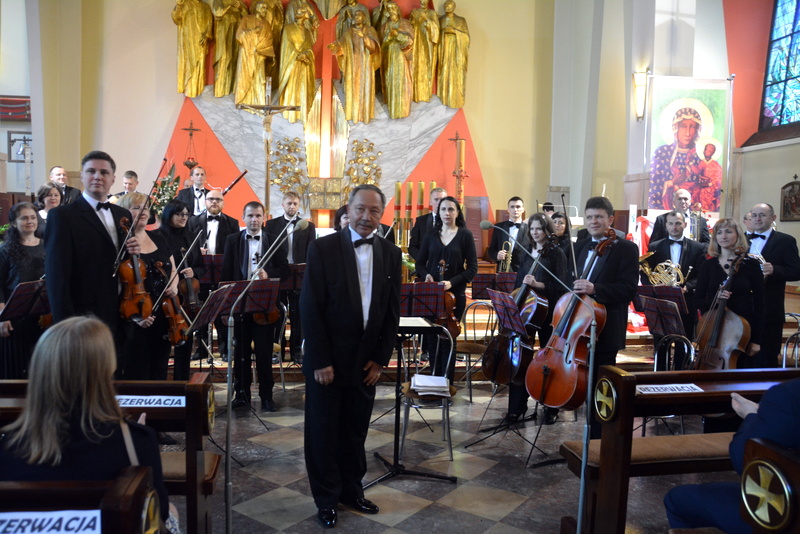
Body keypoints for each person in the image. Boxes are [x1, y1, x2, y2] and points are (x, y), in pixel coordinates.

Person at [0, 316, 177, 532]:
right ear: (106, 370)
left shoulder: (7, 448)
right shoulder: (136, 442)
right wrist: (136, 434)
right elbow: (160, 513)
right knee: (173, 512)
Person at [301, 184, 401, 528]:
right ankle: (326, 499)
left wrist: (381, 359)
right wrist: (320, 360)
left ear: (381, 215)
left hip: (365, 362)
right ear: (348, 209)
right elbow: (310, 307)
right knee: (323, 432)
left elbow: (391, 311)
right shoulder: (322, 247)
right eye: (360, 209)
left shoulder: (391, 253)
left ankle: (351, 491)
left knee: (355, 431)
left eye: (374, 211)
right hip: (327, 361)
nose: (366, 217)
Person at [664, 378, 800, 533]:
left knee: (677, 499)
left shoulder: (788, 395)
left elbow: (745, 461)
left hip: (788, 513)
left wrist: (751, 415)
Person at [44, 151, 140, 338]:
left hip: (122, 311)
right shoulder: (62, 216)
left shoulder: (123, 214)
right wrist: (65, 324)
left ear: (113, 179)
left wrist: (134, 251)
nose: (97, 176)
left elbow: (124, 261)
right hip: (83, 316)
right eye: (91, 171)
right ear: (82, 176)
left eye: (104, 172)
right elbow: (57, 276)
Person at [571, 197, 638, 438]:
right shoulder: (579, 246)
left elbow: (628, 289)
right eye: (589, 217)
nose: (593, 221)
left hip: (606, 329)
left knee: (601, 389)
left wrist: (595, 289)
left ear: (610, 219)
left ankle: (600, 441)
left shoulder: (626, 248)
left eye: (598, 217)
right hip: (578, 326)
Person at [222, 201, 289, 412]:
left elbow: (284, 270)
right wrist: (226, 307)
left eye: (258, 216)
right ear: (243, 217)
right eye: (250, 215)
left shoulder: (274, 240)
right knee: (241, 354)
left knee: (264, 353)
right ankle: (241, 394)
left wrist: (269, 274)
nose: (254, 220)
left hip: (265, 308)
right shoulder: (232, 240)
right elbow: (226, 274)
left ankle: (267, 397)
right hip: (240, 305)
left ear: (264, 218)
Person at [506, 213, 570, 425]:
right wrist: (515, 301)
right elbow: (519, 282)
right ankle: (517, 407)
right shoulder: (526, 251)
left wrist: (538, 285)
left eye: (539, 229)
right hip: (526, 312)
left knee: (548, 361)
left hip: (547, 312)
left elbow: (561, 286)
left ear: (547, 230)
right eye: (532, 229)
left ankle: (551, 406)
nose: (535, 232)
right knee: (520, 359)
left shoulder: (556, 253)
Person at [115, 193, 180, 381]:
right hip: (135, 317)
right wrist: (136, 318)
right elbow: (117, 284)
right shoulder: (121, 243)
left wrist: (174, 285)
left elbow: (173, 269)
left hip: (164, 314)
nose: (143, 211)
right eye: (136, 207)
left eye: (145, 207)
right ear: (124, 213)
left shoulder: (158, 237)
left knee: (159, 370)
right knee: (138, 373)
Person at [415, 196, 478, 379]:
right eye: (443, 209)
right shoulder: (431, 235)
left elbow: (472, 268)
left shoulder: (465, 235)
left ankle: (447, 383)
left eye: (451, 209)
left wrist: (452, 282)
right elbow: (420, 263)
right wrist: (426, 274)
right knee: (432, 340)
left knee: (449, 339)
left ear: (457, 212)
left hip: (455, 295)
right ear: (438, 212)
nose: (447, 213)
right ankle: (433, 381)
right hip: (432, 294)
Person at [694, 218, 765, 369]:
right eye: (719, 233)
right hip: (713, 329)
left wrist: (756, 340)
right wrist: (716, 299)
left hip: (742, 333)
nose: (723, 236)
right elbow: (697, 301)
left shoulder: (751, 265)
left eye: (728, 232)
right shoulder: (708, 265)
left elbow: (760, 304)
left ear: (738, 235)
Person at [642, 210, 707, 370]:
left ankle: (680, 374)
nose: (674, 227)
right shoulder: (655, 246)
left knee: (683, 341)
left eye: (678, 223)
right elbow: (645, 274)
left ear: (685, 224)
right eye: (670, 223)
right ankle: (659, 375)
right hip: (662, 302)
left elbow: (701, 275)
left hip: (686, 301)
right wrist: (655, 286)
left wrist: (687, 287)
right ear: (666, 226)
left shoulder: (698, 247)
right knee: (660, 341)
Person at [744, 203, 800, 368]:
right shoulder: (742, 240)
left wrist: (775, 269)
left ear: (773, 218)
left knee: (766, 359)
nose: (757, 219)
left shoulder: (785, 241)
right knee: (742, 358)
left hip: (770, 309)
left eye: (762, 215)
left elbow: (796, 271)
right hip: (744, 309)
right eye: (754, 215)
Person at [188, 189, 240, 362]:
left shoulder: (232, 223)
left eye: (218, 199)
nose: (214, 202)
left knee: (222, 312)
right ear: (205, 202)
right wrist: (197, 251)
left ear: (223, 202)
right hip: (199, 275)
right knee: (201, 311)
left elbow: (235, 250)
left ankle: (225, 349)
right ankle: (202, 348)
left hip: (221, 273)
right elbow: (187, 246)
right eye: (211, 199)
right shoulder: (193, 221)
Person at [265, 191, 316, 363]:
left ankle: (297, 351)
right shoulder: (271, 225)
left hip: (299, 275)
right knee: (278, 313)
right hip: (279, 274)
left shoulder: (307, 226)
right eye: (289, 203)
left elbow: (311, 251)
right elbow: (268, 250)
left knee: (298, 314)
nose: (292, 206)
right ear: (283, 205)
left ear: (299, 205)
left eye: (295, 203)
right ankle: (277, 350)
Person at [159, 199, 205, 380]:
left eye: (186, 214)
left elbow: (201, 266)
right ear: (169, 214)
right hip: (167, 296)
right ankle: (160, 384)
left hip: (187, 298)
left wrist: (194, 272)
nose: (184, 217)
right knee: (162, 345)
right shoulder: (159, 236)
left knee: (185, 343)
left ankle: (182, 382)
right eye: (179, 214)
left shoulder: (191, 237)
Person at [0, 203, 45, 379]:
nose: (30, 221)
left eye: (33, 217)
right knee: (15, 370)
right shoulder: (5, 250)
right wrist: (2, 316)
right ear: (13, 223)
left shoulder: (47, 246)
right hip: (14, 318)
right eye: (24, 218)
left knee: (40, 371)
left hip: (43, 318)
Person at [327, 9, 381, 124]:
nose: (357, 17)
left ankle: (365, 113)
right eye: (355, 15)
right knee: (353, 87)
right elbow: (342, 45)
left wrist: (364, 37)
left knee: (365, 87)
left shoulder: (370, 30)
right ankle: (353, 113)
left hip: (365, 63)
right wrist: (336, 47)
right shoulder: (348, 31)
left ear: (364, 18)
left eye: (359, 15)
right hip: (352, 64)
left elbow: (374, 48)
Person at [649, 107, 703, 210]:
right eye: (683, 126)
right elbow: (654, 185)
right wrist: (671, 183)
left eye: (692, 127)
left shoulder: (699, 157)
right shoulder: (662, 153)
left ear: (697, 130)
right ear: (675, 128)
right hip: (665, 210)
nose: (688, 133)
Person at [277, 3, 317, 123]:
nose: (297, 14)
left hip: (304, 63)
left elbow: (309, 46)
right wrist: (297, 55)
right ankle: (290, 111)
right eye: (298, 12)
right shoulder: (288, 28)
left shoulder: (307, 31)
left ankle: (302, 110)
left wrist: (307, 54)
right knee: (292, 86)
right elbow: (286, 45)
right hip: (293, 63)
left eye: (302, 12)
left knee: (303, 86)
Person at [235, 0, 275, 107]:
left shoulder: (267, 24)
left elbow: (269, 40)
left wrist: (263, 49)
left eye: (266, 8)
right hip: (247, 53)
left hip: (260, 54)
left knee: (259, 77)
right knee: (245, 76)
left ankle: (258, 101)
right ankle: (243, 99)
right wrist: (253, 32)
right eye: (263, 8)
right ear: (257, 8)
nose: (265, 10)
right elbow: (239, 35)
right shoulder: (246, 19)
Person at [171, 0, 213, 98]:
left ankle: (197, 87)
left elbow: (209, 23)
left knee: (199, 63)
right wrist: (179, 5)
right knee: (189, 63)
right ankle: (189, 87)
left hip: (200, 40)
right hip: (188, 39)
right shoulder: (185, 4)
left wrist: (206, 35)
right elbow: (176, 19)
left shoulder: (205, 6)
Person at [380, 2, 414, 120]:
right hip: (389, 55)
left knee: (402, 80)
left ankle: (403, 109)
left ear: (397, 10)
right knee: (391, 80)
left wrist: (397, 35)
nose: (391, 11)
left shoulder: (405, 23)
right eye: (389, 9)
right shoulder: (385, 26)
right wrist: (389, 38)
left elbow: (410, 41)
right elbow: (382, 44)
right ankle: (393, 109)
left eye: (393, 8)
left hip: (401, 56)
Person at [437, 0, 470, 109]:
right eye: (445, 5)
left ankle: (455, 99)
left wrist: (454, 31)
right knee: (444, 71)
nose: (447, 7)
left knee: (456, 73)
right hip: (444, 51)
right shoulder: (440, 20)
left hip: (456, 52)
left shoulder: (460, 20)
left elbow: (466, 38)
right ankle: (444, 96)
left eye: (449, 5)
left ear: (453, 7)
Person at [212, 0, 247, 97]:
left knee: (235, 59)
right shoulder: (219, 1)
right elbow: (217, 13)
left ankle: (233, 87)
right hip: (224, 33)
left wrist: (240, 7)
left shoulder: (238, 1)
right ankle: (220, 89)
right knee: (224, 58)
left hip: (236, 33)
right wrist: (229, 6)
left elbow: (247, 17)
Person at [486, 196, 529, 272]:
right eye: (512, 207)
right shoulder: (498, 227)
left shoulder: (529, 229)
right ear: (508, 210)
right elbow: (491, 249)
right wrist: (497, 255)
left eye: (518, 207)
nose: (515, 209)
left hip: (523, 271)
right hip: (503, 270)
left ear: (523, 209)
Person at [408, 187, 447, 260]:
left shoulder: (455, 221)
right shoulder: (421, 221)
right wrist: (422, 260)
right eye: (436, 199)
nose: (439, 202)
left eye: (442, 200)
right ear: (430, 202)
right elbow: (412, 246)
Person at [410, 4, 439, 103]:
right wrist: (413, 20)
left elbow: (436, 31)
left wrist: (426, 18)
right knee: (415, 66)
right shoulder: (415, 12)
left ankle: (425, 93)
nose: (423, 2)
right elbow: (410, 27)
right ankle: (415, 93)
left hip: (427, 44)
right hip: (416, 44)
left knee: (426, 67)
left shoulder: (432, 13)